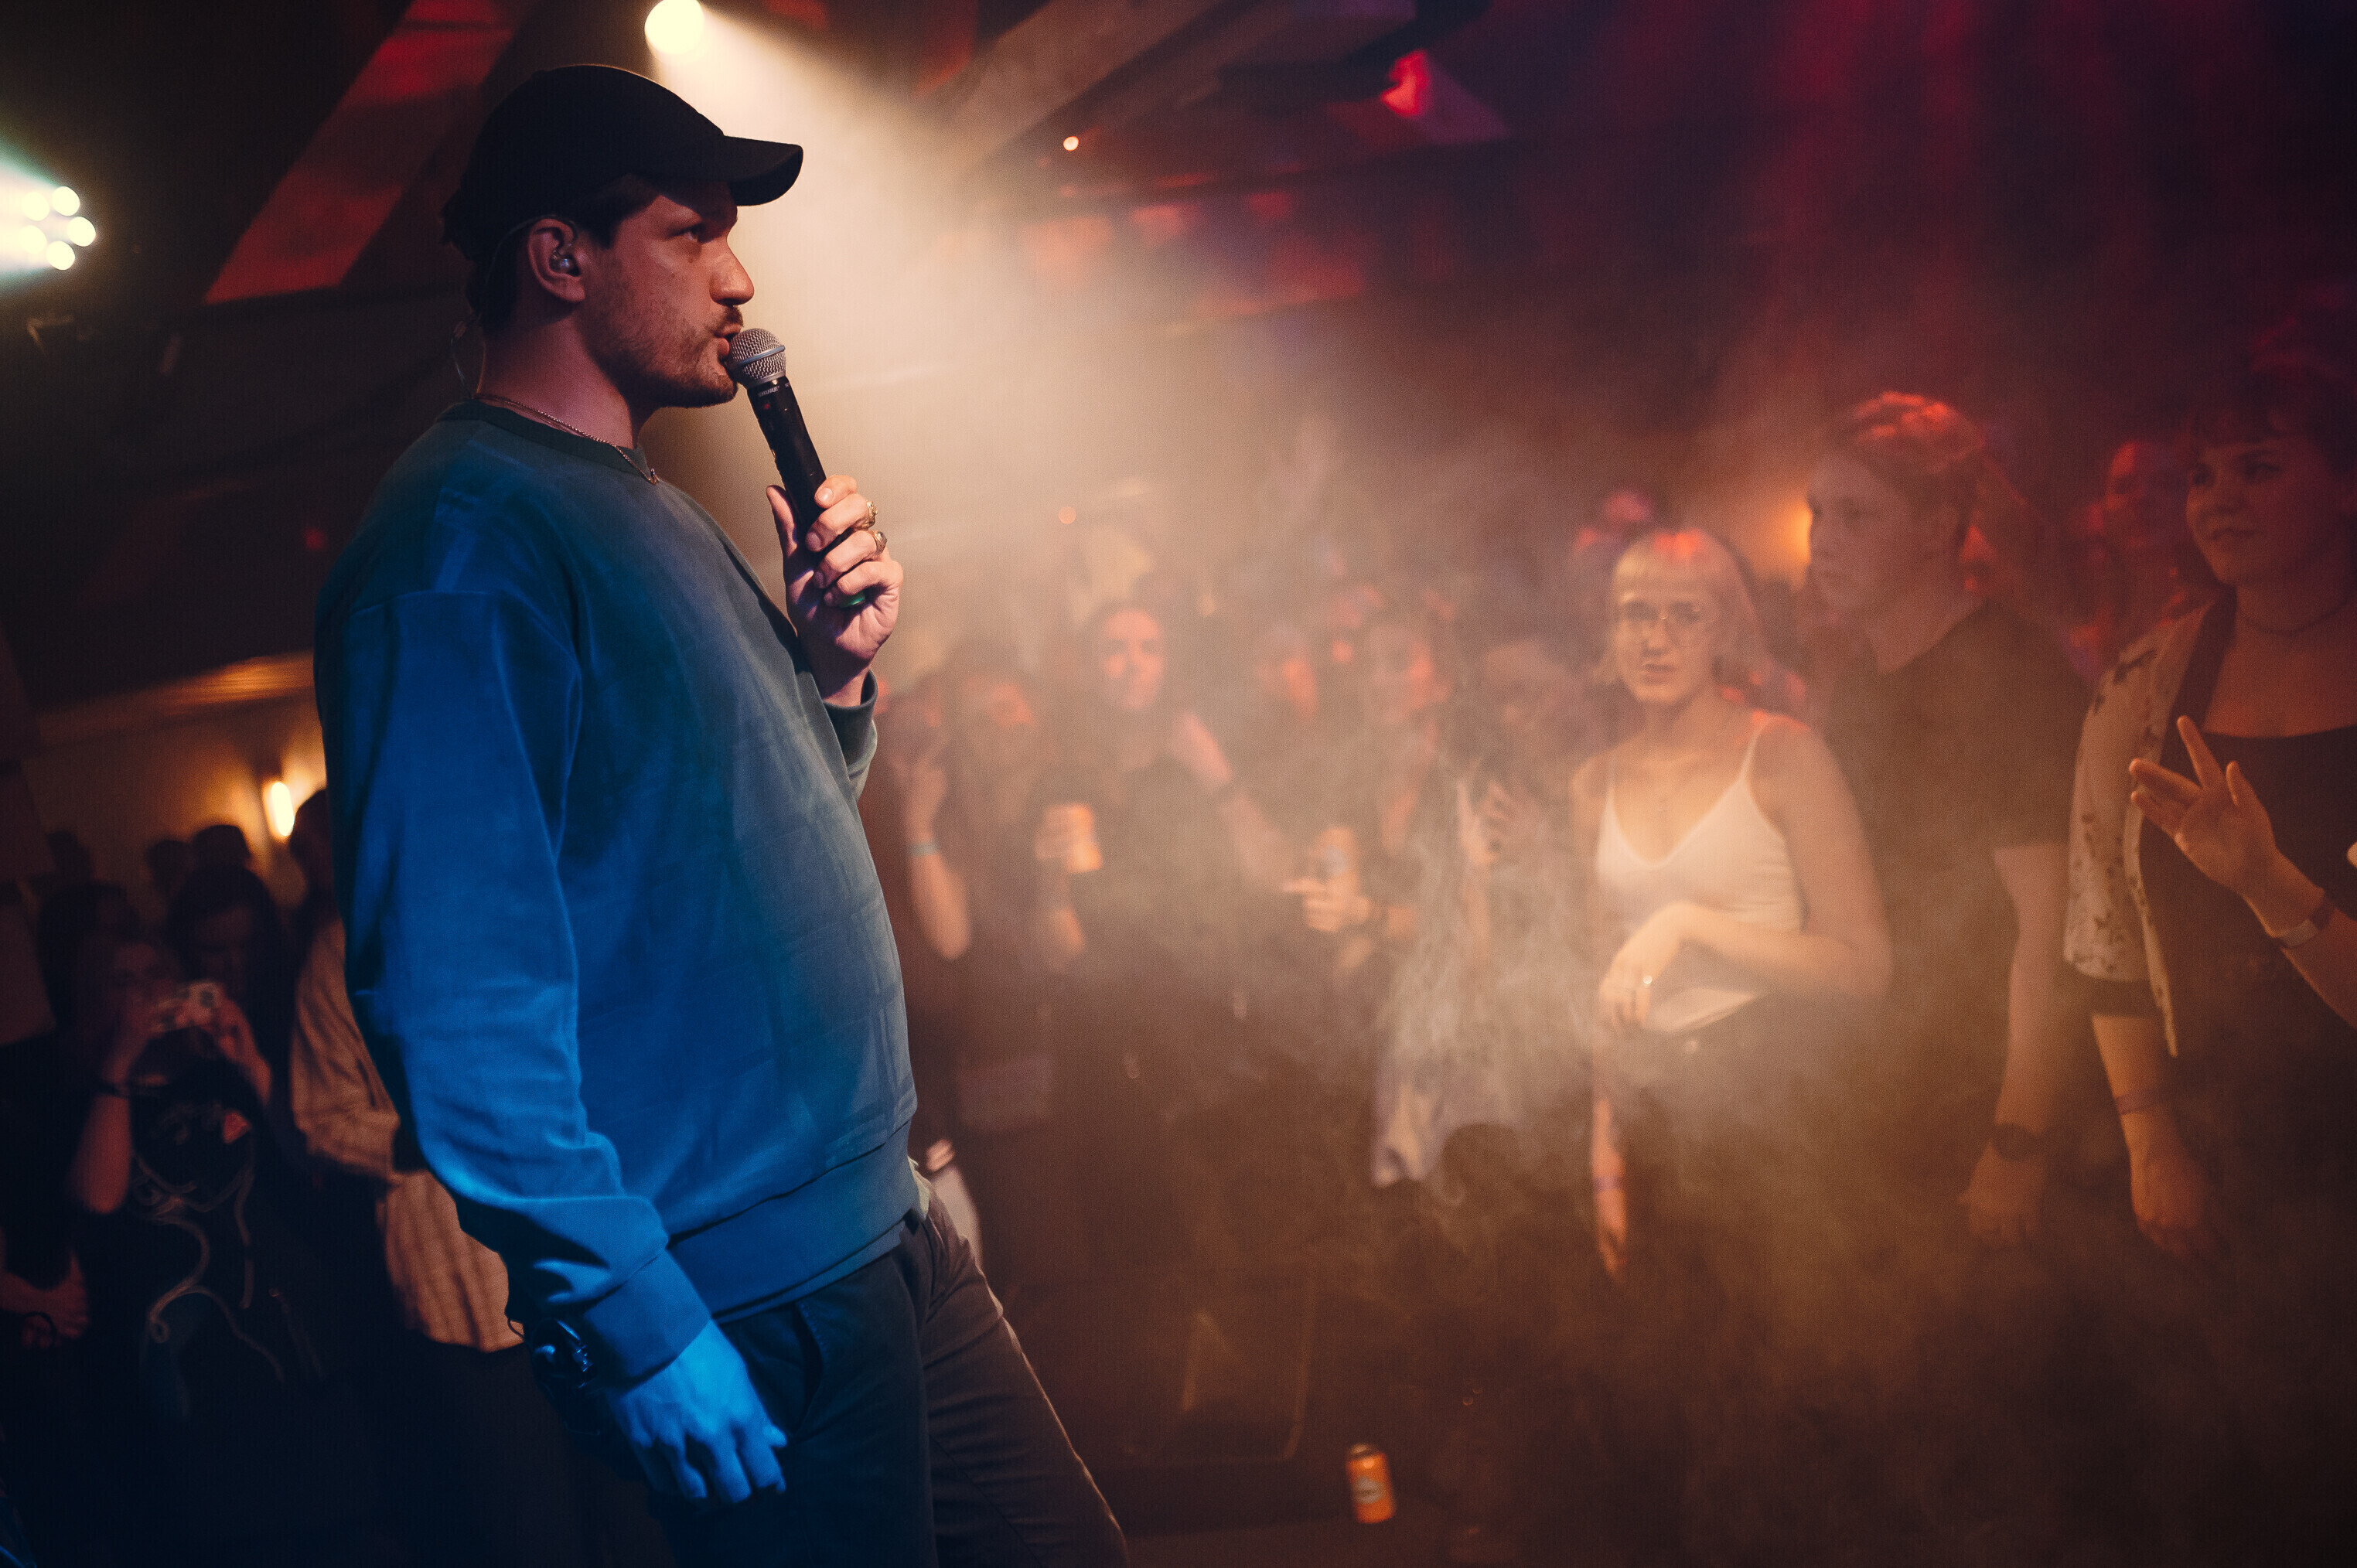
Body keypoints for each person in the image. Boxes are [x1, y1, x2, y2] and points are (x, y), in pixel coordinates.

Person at [314, 65, 1122, 1568]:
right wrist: (632, 1321)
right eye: (692, 233)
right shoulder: (458, 549)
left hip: (880, 1235)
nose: (739, 277)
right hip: (745, 1301)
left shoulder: (645, 503)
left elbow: (737, 857)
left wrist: (833, 679)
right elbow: (450, 997)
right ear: (560, 257)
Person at [2064, 342, 2357, 1557]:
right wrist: (2150, 1138)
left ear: (2345, 482)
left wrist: (2270, 885)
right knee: (2232, 1489)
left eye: (2260, 466)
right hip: (2224, 1139)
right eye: (2203, 475)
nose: (2220, 498)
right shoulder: (2151, 678)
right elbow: (2101, 925)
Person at [1571, 528, 1889, 1559]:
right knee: (1674, 1410)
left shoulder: (1783, 751)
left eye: (1685, 614)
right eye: (1635, 613)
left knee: (1782, 1412)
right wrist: (1605, 1151)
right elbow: (1605, 983)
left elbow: (1863, 965)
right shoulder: (1592, 784)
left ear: (1726, 631)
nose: (1656, 636)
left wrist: (1688, 924)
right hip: (1657, 1111)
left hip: (1778, 1107)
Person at [285, 800, 673, 1567]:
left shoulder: (509, 907)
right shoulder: (336, 958)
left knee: (638, 1507)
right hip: (462, 1289)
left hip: (583, 1262)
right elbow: (318, 1117)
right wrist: (422, 1137)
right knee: (532, 1525)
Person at [1810, 393, 2090, 1242]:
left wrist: (2018, 1137)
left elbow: (2053, 928)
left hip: (1982, 1102)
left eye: (1855, 515)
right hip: (1883, 1091)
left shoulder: (2012, 676)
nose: (1822, 540)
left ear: (1937, 528)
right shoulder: (1860, 685)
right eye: (1818, 512)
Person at [66, 931, 388, 1564]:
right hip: (193, 1369)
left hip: (288, 1344)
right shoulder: (91, 1100)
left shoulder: (222, 1075)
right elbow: (98, 1197)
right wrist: (119, 1064)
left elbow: (306, 1156)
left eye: (156, 973)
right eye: (124, 981)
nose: (146, 993)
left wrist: (250, 1062)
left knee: (339, 1529)